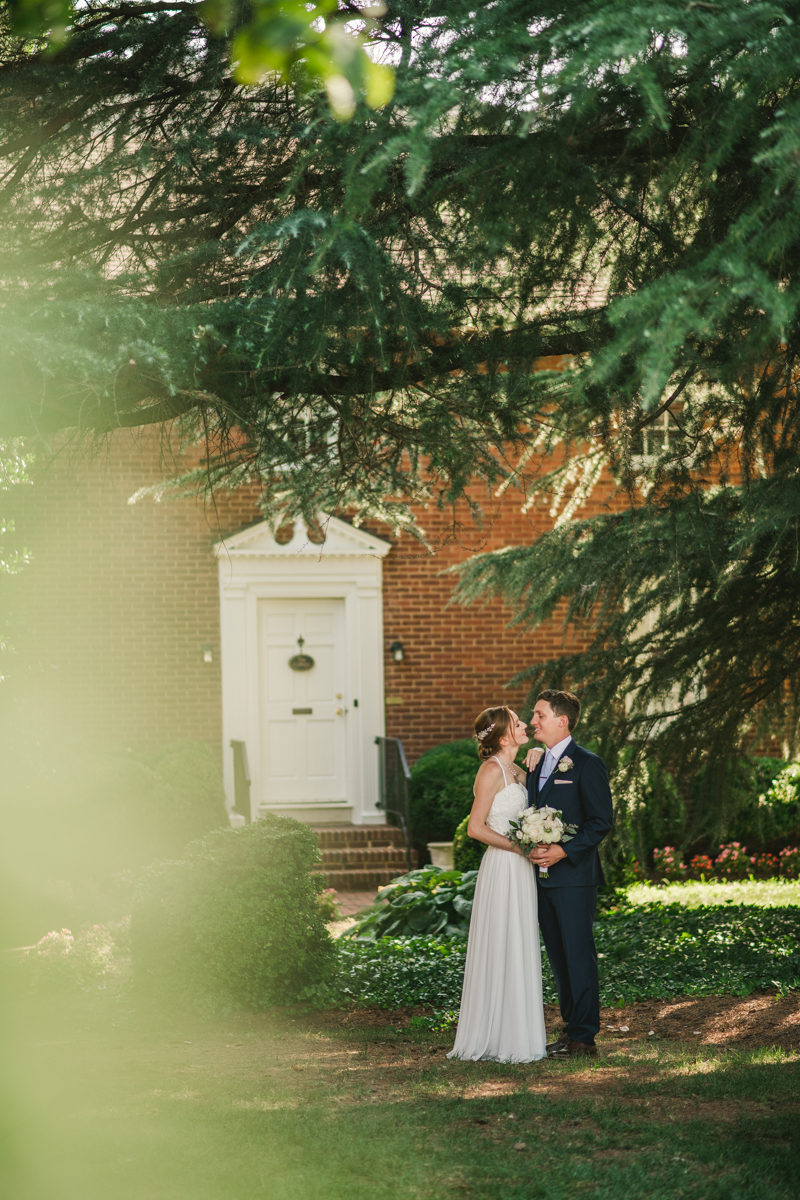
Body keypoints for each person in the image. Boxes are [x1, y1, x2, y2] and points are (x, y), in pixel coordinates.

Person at [447, 706, 547, 1063]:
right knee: (502, 940)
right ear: (504, 736)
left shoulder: (514, 768)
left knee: (518, 940)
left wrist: (538, 752)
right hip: (504, 865)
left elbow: (537, 780)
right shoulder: (491, 771)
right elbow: (476, 828)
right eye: (519, 724)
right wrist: (520, 847)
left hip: (519, 868)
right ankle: (496, 1036)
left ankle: (518, 1034)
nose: (525, 726)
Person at [523, 689, 613, 1058]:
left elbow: (600, 822)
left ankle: (585, 1037)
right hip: (539, 880)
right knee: (559, 960)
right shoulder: (535, 761)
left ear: (562, 720)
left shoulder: (588, 763)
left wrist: (562, 850)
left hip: (574, 877)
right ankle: (570, 1029)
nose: (533, 722)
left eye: (539, 715)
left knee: (578, 956)